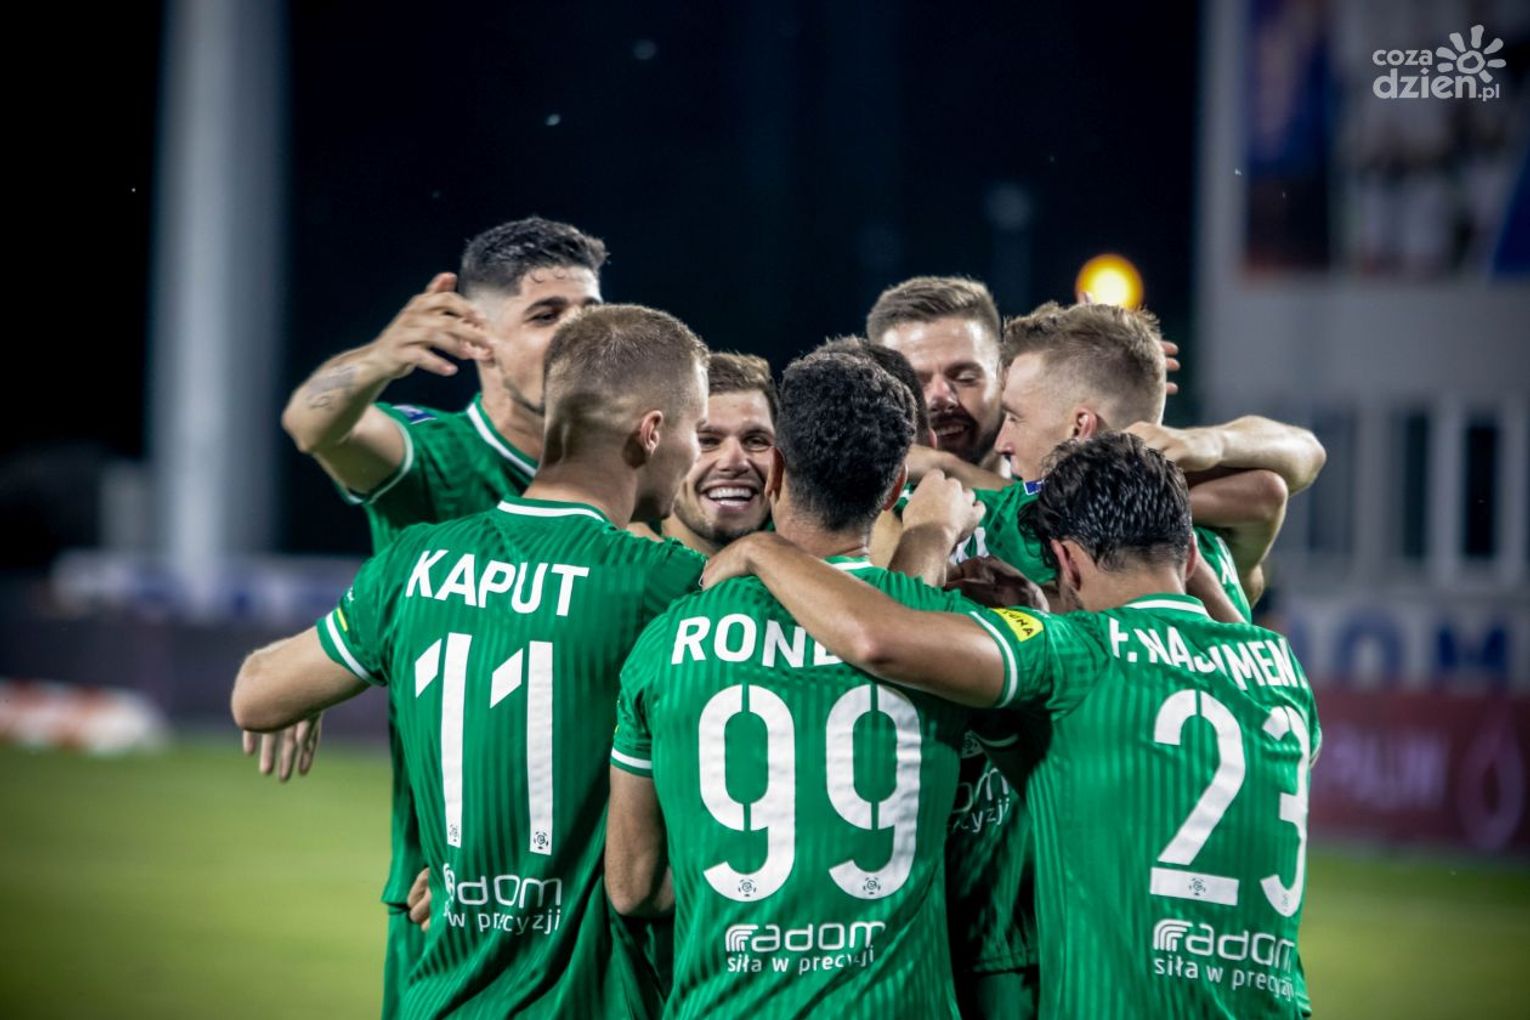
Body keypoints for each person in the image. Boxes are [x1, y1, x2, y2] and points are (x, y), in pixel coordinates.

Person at [703, 433, 1319, 1018]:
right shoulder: (1281, 671)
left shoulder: (1076, 651)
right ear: (1189, 553)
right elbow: (1089, 768)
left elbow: (877, 640)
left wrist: (767, 551)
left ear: (1067, 562)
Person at [234, 304, 710, 1018]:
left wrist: (322, 688)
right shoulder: (660, 583)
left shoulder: (415, 561)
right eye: (697, 430)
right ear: (650, 433)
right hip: (583, 1001)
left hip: (442, 994)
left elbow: (255, 694)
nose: (696, 454)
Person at [269, 216, 607, 1016]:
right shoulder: (436, 460)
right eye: (546, 315)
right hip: (455, 904)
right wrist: (381, 358)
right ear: (477, 339)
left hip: (601, 899)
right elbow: (314, 423)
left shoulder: (643, 470)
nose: (578, 336)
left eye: (590, 313)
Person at [605, 353, 998, 1018]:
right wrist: (932, 535)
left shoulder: (665, 640)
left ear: (777, 472)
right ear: (894, 486)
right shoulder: (947, 634)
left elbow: (633, 888)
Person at [643, 353, 779, 556]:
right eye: (707, 441)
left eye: (755, 441)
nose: (734, 462)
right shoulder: (607, 561)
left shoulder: (817, 561)